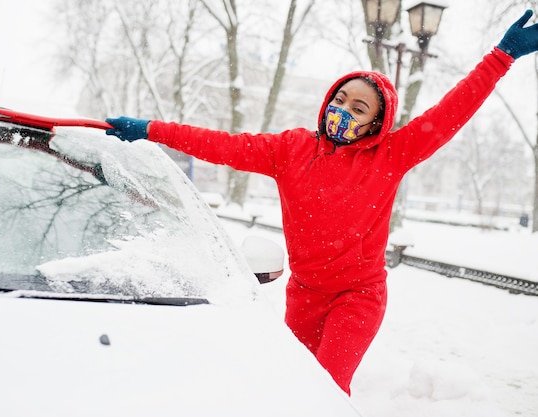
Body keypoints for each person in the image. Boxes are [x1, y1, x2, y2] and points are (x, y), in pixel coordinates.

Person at [104, 11, 538, 395]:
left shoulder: (391, 156)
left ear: (375, 124)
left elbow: (451, 111)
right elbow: (219, 144)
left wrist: (502, 56)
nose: (342, 110)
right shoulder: (289, 149)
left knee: (324, 391)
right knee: (292, 384)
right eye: (339, 99)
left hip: (357, 296)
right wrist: (150, 129)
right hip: (304, 293)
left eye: (358, 107)